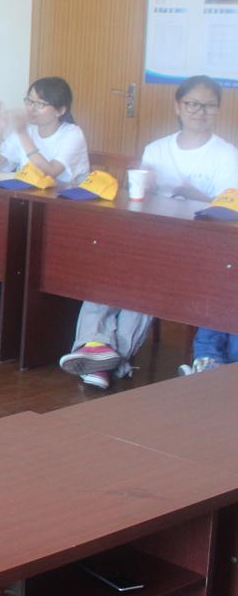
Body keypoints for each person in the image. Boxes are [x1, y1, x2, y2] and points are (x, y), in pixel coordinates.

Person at [60, 75, 238, 387]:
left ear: (218, 110)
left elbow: (228, 213)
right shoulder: (157, 149)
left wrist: (195, 196)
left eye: (209, 106)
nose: (200, 111)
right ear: (178, 106)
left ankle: (107, 356)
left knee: (148, 279)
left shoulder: (227, 155)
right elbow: (138, 202)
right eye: (192, 104)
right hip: (153, 237)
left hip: (200, 249)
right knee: (109, 270)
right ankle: (94, 347)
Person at [0, 75, 89, 344]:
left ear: (61, 109)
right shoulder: (27, 131)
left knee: (11, 245)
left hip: (65, 218)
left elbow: (51, 171)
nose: (31, 108)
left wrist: (20, 133)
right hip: (27, 212)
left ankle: (0, 318)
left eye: (39, 104)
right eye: (29, 101)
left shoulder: (72, 134)